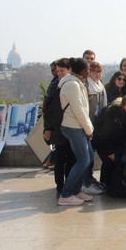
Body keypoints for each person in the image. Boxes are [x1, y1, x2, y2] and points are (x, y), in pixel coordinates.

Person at [57, 57, 96, 206]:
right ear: (81, 70)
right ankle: (66, 194)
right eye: (87, 69)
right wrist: (89, 129)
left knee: (88, 158)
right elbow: (78, 110)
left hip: (79, 126)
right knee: (84, 160)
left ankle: (75, 190)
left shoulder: (77, 83)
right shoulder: (72, 85)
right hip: (73, 126)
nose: (89, 71)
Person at [42, 58, 75, 198]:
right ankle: (61, 187)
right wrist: (48, 128)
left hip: (68, 126)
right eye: (58, 71)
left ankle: (68, 185)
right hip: (59, 127)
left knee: (70, 159)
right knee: (61, 159)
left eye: (62, 70)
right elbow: (48, 109)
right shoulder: (55, 85)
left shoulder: (67, 83)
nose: (60, 73)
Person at [92, 93, 126, 188]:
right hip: (102, 142)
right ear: (123, 106)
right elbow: (104, 135)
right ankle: (104, 184)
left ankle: (111, 184)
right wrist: (109, 152)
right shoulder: (115, 115)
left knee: (116, 161)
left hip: (115, 142)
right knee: (108, 162)